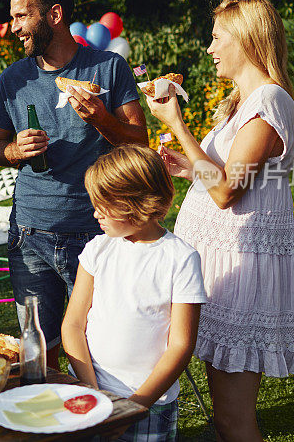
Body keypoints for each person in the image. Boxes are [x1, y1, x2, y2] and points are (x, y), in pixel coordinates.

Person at [147, 0, 294, 441]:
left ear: (245, 39)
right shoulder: (244, 103)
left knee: (232, 418)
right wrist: (186, 166)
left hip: (240, 269)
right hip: (216, 265)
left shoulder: (269, 101)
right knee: (224, 414)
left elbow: (226, 191)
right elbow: (221, 176)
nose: (210, 47)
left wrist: (177, 123)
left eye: (217, 36)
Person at [0, 0, 148, 369]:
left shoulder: (108, 68)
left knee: (98, 347)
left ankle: (98, 421)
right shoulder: (13, 79)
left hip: (94, 230)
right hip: (29, 233)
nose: (14, 28)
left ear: (54, 14)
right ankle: (45, 426)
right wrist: (14, 150)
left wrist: (100, 119)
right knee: (37, 353)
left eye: (23, 16)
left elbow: (139, 141)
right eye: (12, 18)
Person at [62, 144, 206, 442]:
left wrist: (134, 406)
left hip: (149, 404)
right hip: (89, 395)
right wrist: (93, 392)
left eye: (104, 205)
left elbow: (180, 345)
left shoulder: (180, 258)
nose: (95, 213)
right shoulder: (97, 250)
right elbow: (73, 326)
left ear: (136, 203)